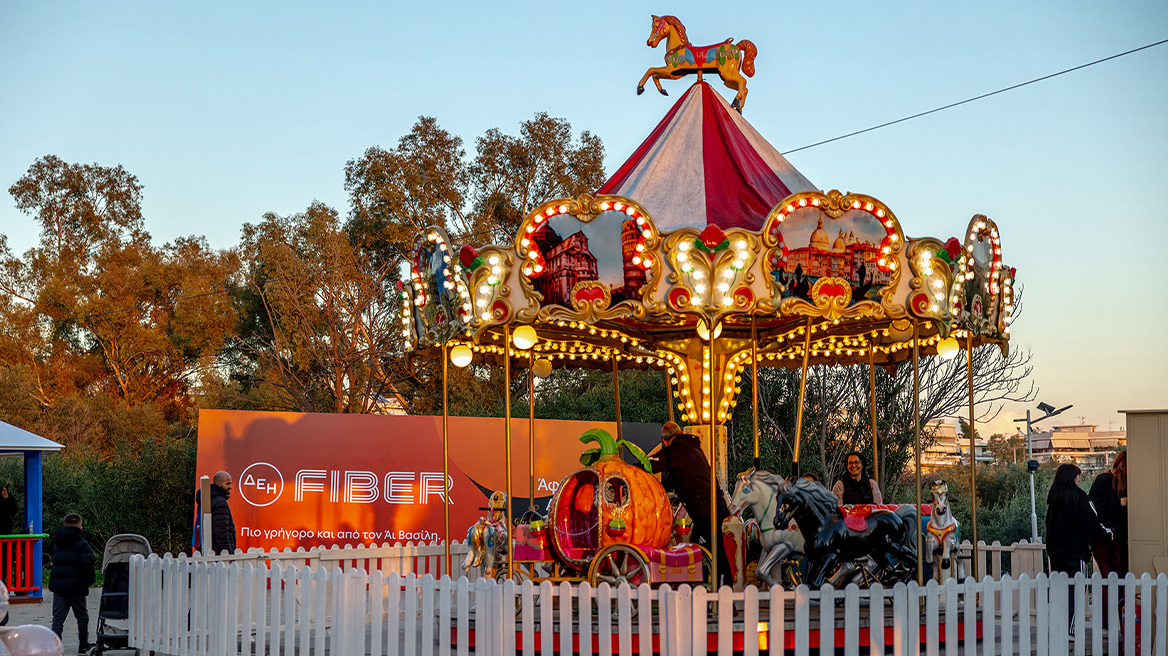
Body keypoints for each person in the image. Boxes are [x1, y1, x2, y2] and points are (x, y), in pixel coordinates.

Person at [649, 422, 731, 584]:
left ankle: (723, 594)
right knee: (701, 549)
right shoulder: (695, 450)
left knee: (712, 551)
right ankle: (702, 588)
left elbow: (649, 464)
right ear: (680, 432)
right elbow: (673, 479)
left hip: (704, 508)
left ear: (665, 441)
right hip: (716, 504)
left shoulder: (673, 452)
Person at [1046, 463, 1109, 636]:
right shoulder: (1080, 497)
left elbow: (1048, 523)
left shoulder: (1054, 498)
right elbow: (1092, 522)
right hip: (1075, 550)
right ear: (1073, 478)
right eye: (1078, 476)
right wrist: (1106, 535)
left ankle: (1060, 627)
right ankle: (1071, 629)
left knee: (1060, 588)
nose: (1079, 479)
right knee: (1077, 589)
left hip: (1055, 551)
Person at [49, 513, 95, 651]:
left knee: (58, 618)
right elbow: (88, 564)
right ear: (80, 527)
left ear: (64, 525)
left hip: (59, 587)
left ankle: (55, 646)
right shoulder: (82, 544)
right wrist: (89, 581)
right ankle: (83, 645)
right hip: (76, 586)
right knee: (82, 617)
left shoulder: (58, 542)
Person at [1089, 451, 1128, 574]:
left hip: (1121, 539)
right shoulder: (1103, 480)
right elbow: (1094, 509)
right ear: (1122, 466)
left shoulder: (1125, 483)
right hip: (1107, 540)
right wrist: (1119, 503)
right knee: (1113, 577)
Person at [195, 471, 236, 555]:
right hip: (219, 553)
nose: (230, 487)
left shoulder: (206, 499)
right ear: (218, 484)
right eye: (227, 484)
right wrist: (228, 552)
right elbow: (222, 531)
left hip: (207, 549)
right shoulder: (220, 502)